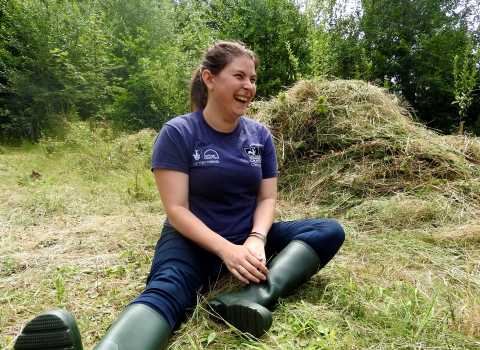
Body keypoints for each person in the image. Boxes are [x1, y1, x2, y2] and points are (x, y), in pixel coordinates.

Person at [14, 41, 345, 350]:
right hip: (192, 241)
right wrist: (226, 251)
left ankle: (252, 298)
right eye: (239, 76)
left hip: (248, 239)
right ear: (209, 79)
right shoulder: (179, 133)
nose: (249, 86)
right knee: (167, 291)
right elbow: (176, 210)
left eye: (253, 79)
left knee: (327, 230)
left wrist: (256, 239)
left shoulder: (259, 135)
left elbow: (266, 199)